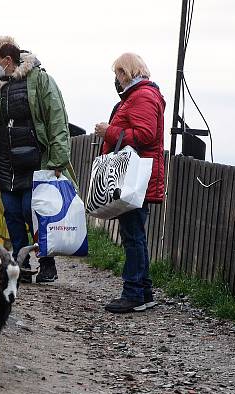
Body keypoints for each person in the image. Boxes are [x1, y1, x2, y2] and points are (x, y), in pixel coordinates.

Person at [0, 35, 76, 283]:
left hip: (35, 163)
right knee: (12, 213)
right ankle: (20, 265)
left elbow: (57, 120)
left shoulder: (40, 81)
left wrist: (58, 160)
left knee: (35, 213)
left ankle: (47, 264)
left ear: (8, 60)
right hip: (5, 164)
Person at [94, 52, 166, 313]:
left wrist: (109, 132)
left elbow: (146, 135)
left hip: (134, 178)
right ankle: (143, 292)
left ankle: (134, 293)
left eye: (118, 74)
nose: (117, 80)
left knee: (133, 236)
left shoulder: (142, 96)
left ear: (126, 72)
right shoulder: (140, 95)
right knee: (135, 235)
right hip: (137, 177)